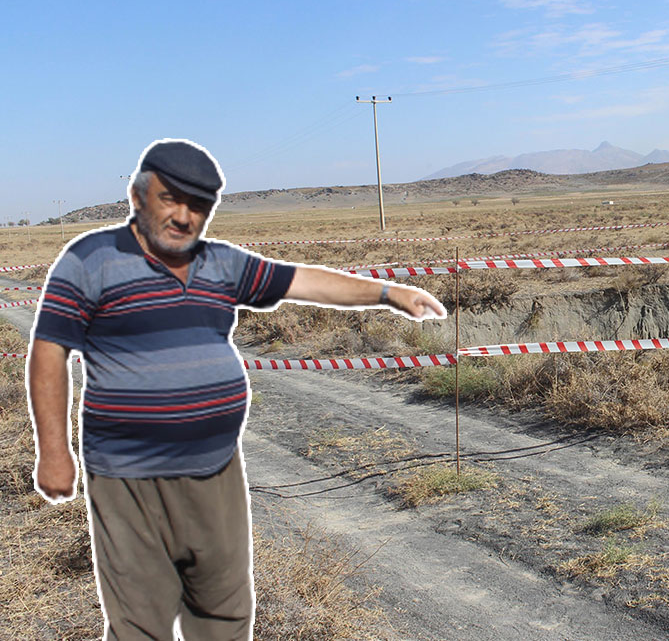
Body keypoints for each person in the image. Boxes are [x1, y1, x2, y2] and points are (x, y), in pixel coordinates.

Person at [26, 138, 445, 640]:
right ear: (138, 196)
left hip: (215, 469)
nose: (184, 216)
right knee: (140, 622)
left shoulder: (222, 263)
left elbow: (302, 282)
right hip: (128, 476)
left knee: (224, 612)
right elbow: (49, 351)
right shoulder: (89, 260)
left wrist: (386, 292)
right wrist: (53, 451)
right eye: (170, 199)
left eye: (199, 205)